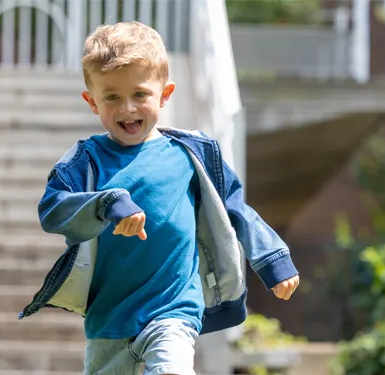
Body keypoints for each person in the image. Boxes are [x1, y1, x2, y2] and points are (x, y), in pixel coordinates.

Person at [18, 21, 300, 375]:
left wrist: (272, 259)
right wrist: (105, 203)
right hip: (108, 321)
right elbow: (52, 208)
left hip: (173, 312)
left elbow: (235, 207)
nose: (127, 109)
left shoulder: (191, 153)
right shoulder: (84, 159)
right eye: (111, 97)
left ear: (165, 94)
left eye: (140, 94)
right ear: (91, 102)